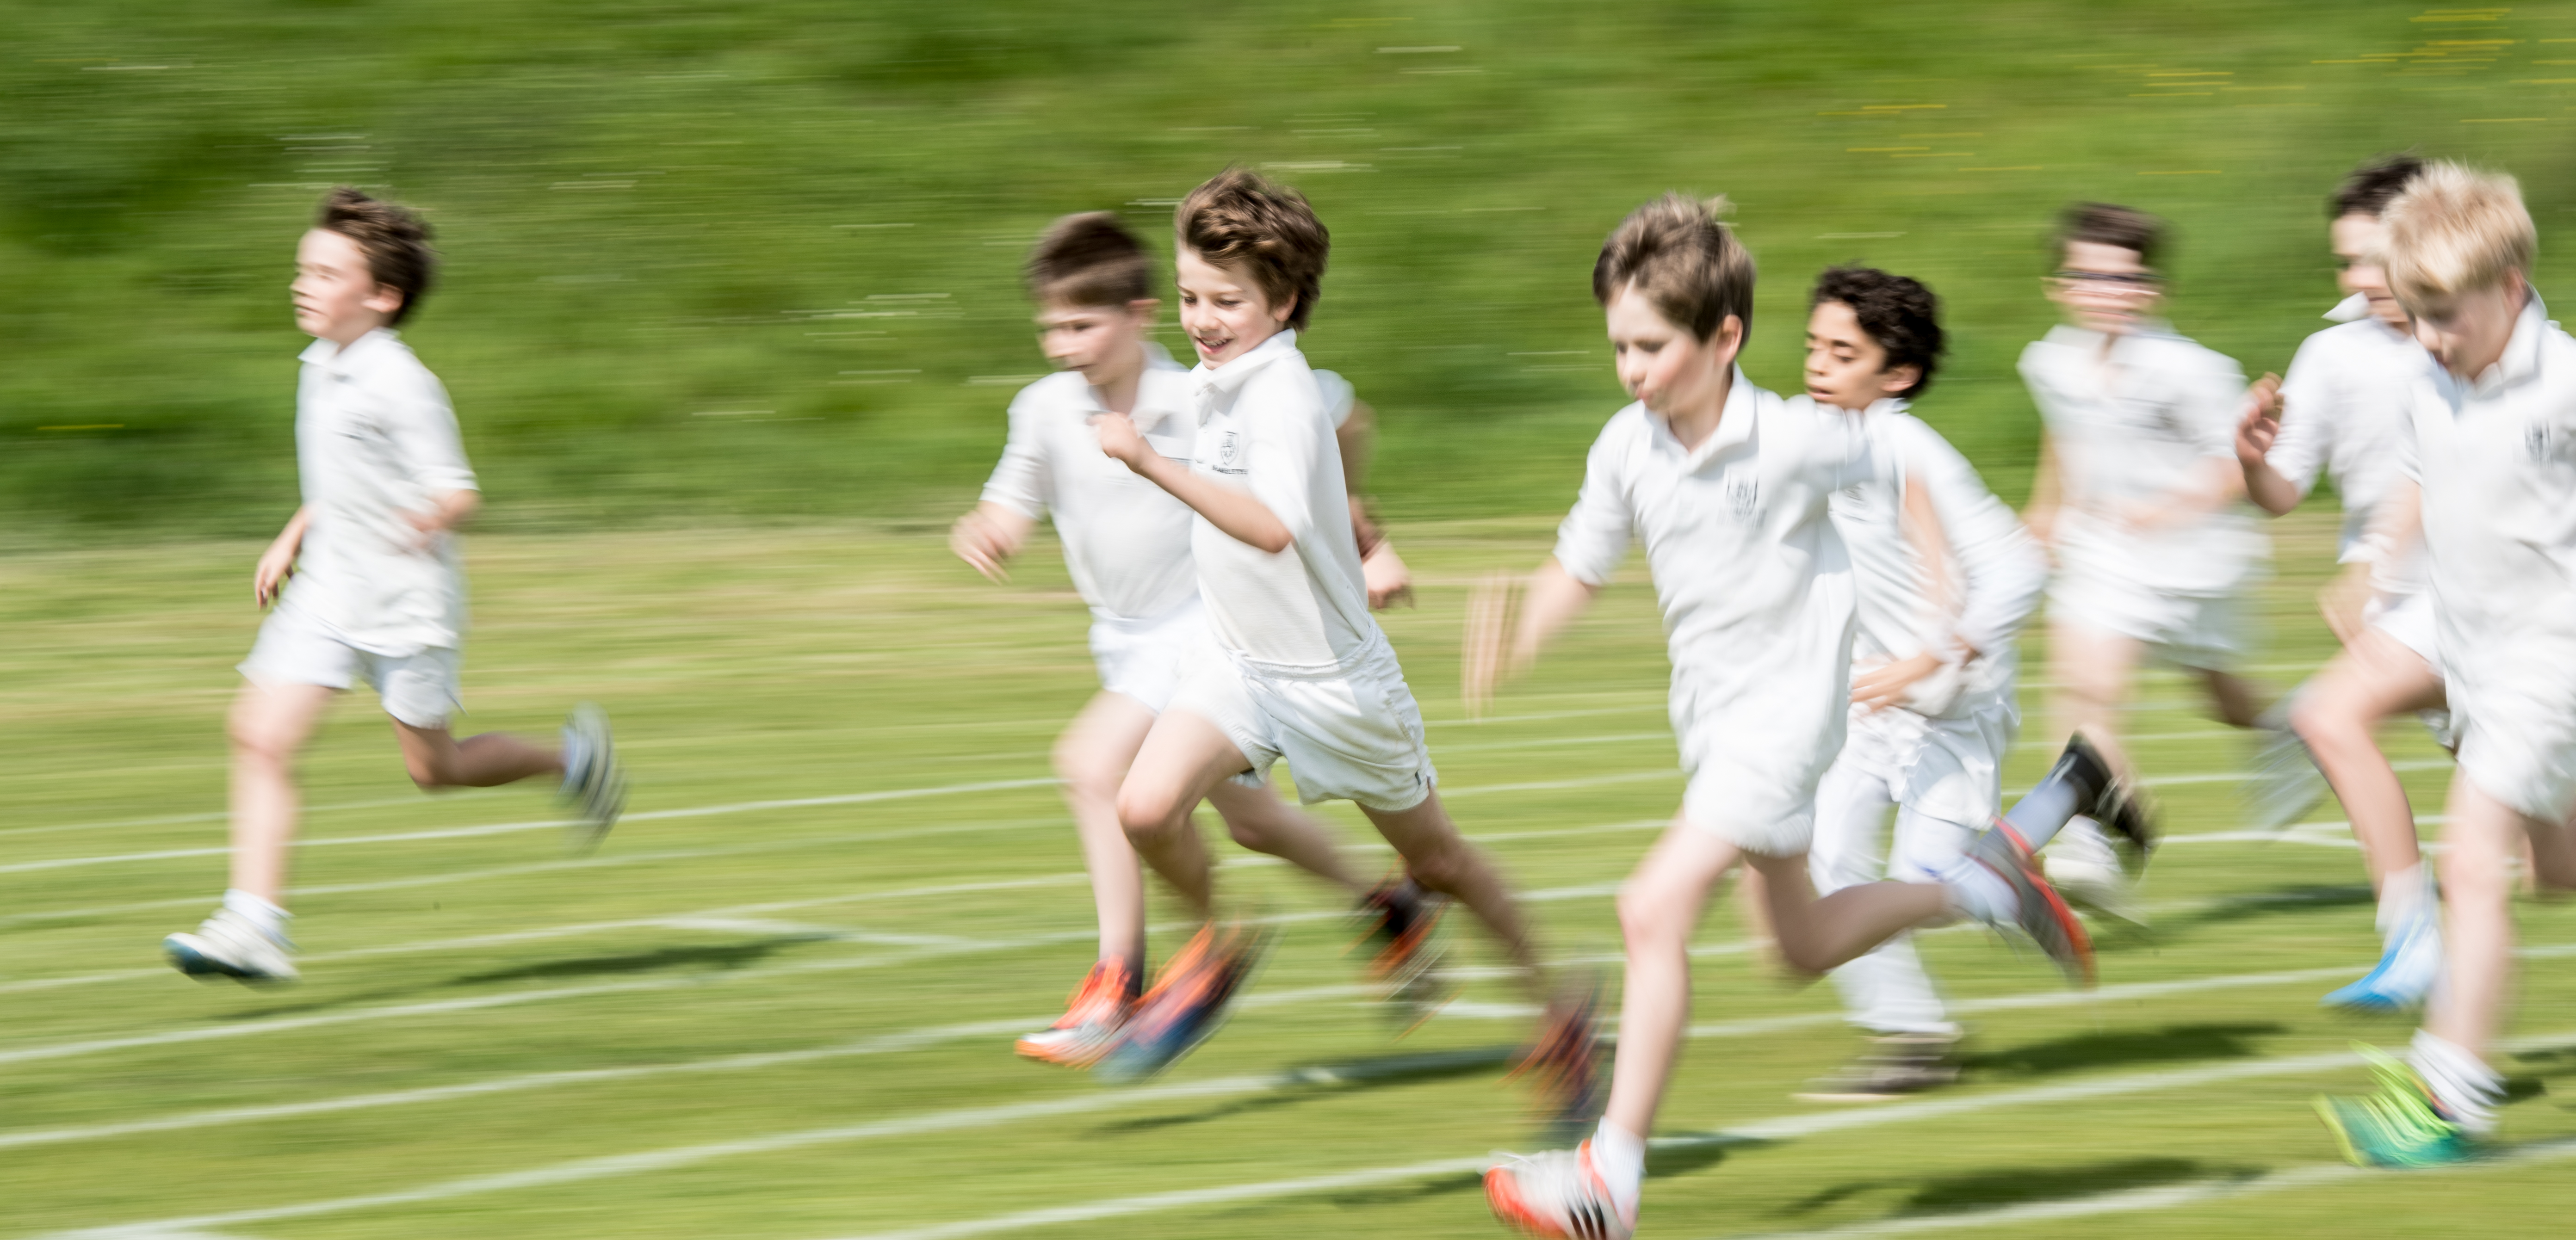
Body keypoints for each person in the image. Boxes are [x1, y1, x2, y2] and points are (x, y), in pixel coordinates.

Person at [1474, 197, 2092, 1240]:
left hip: (1789, 721)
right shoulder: (1626, 446)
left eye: (1654, 348)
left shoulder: (1800, 442)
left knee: (1650, 909)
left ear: (1725, 339)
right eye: (1620, 346)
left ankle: (1607, 1180)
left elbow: (1908, 474)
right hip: (1712, 721)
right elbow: (1579, 563)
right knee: (1799, 947)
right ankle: (1977, 886)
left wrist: (1947, 615)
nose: (1632, 370)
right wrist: (1523, 626)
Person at [1090, 169, 1591, 1099]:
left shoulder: (1276, 395)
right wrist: (1364, 528)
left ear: (1282, 303)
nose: (1200, 321)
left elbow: (1275, 526)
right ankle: (1214, 951)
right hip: (1241, 664)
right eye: (1192, 295)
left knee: (1438, 863)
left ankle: (1560, 1010)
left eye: (1226, 302)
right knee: (1146, 809)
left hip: (1334, 679)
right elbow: (1344, 430)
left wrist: (1151, 463)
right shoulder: (1225, 372)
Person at [950, 211, 1440, 1068]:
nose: (1064, 345)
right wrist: (988, 528)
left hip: (1204, 634)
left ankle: (1123, 980)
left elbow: (1341, 417)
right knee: (1253, 826)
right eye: (1050, 328)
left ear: (1140, 315)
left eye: (1082, 325)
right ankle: (1386, 902)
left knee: (1090, 765)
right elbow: (1010, 495)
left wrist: (1369, 536)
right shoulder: (1042, 411)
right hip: (1129, 643)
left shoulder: (1199, 396)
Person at [161, 188, 625, 985]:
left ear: (382, 297)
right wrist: (292, 534)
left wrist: (430, 517)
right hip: (329, 593)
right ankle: (255, 924)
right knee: (258, 733)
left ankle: (572, 759)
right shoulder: (321, 362)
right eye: (301, 267)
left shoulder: (402, 382)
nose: (301, 283)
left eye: (324, 271)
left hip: (406, 605)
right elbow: (346, 477)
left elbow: (458, 489)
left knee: (433, 769)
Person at [2314, 161, 2576, 1168]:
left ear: (2510, 289)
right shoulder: (2432, 380)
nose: (2426, 337)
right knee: (2553, 870)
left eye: (2444, 316)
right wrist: (2376, 563)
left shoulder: (2564, 387)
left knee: (2471, 867)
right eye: (2412, 314)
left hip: (2549, 667)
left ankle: (2447, 1098)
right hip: (2476, 660)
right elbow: (2421, 480)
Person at [1795, 266, 2052, 1100]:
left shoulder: (1911, 446)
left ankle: (2042, 823)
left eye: (1843, 352)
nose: (1819, 365)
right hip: (1872, 702)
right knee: (1828, 857)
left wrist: (1937, 654)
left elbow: (2019, 566)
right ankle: (1914, 1037)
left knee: (1925, 879)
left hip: (1952, 707)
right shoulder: (1812, 431)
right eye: (1813, 346)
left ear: (1895, 376)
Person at [2017, 201, 2287, 919]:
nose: (2106, 290)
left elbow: (2240, 464)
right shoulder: (2050, 359)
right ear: (2061, 285)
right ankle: (2088, 844)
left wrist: (2166, 512)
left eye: (2123, 278)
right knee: (2084, 687)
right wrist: (2044, 513)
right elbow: (2065, 436)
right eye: (2088, 276)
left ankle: (2299, 729)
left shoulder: (2192, 370)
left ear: (2151, 288)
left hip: (2197, 558)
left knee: (2223, 698)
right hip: (2105, 552)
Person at [2234, 155, 2449, 1012]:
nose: (2359, 279)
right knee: (2551, 851)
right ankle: (2416, 944)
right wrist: (2250, 457)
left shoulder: (2476, 336)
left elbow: (2441, 463)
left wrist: (2370, 563)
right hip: (2395, 613)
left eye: (2376, 257)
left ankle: (2412, 943)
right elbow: (2284, 495)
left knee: (2327, 714)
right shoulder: (2331, 353)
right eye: (2347, 262)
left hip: (2480, 596)